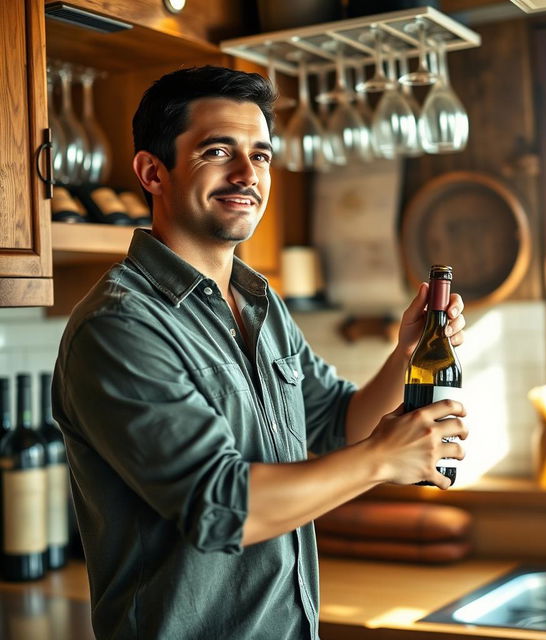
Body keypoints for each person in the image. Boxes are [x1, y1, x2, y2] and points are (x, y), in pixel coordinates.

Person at [52, 66, 467, 640]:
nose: (248, 174)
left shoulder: (258, 301)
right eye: (218, 151)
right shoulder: (119, 326)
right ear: (153, 172)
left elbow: (337, 424)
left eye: (262, 155)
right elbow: (220, 508)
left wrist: (407, 355)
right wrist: (381, 460)